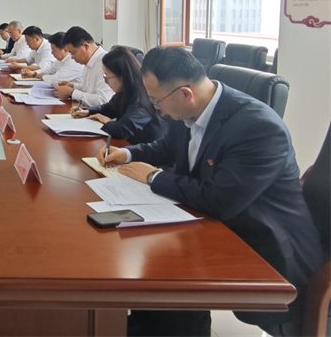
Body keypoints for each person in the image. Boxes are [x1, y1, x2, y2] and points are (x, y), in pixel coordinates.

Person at [98, 47, 323, 337]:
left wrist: (153, 177)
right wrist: (128, 154)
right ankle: (147, 325)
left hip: (265, 247)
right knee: (153, 254)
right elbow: (168, 147)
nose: (156, 109)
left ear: (185, 94)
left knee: (170, 266)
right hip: (216, 225)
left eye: (156, 100)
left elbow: (219, 200)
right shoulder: (191, 110)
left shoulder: (259, 128)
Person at [71, 46, 163, 144]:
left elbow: (122, 130)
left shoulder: (142, 97)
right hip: (127, 145)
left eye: (107, 77)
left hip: (143, 148)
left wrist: (106, 120)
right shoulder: (125, 90)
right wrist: (88, 111)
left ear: (122, 76)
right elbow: (109, 108)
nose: (106, 82)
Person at [52, 26, 113, 107]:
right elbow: (89, 90)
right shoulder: (89, 61)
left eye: (73, 53)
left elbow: (103, 100)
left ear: (86, 46)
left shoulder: (105, 62)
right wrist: (73, 86)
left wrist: (72, 92)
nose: (72, 57)